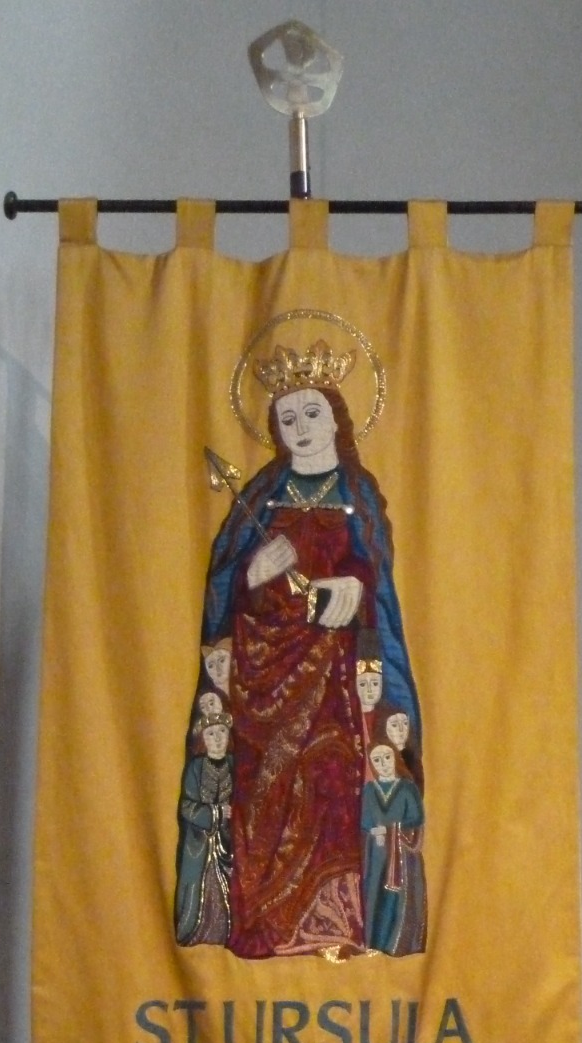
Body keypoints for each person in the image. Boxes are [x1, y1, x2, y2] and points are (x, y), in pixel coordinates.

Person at [190, 340, 423, 959]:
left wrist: (353, 584)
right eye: (287, 417)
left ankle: (335, 925)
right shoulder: (261, 496)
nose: (300, 427)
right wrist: (254, 572)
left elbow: (375, 575)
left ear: (336, 420)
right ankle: (265, 923)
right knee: (264, 793)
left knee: (330, 780)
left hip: (333, 674)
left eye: (312, 413)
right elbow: (224, 584)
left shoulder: (357, 492)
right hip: (263, 675)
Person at [174, 712, 234, 946]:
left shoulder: (234, 765)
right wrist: (215, 813)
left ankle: (226, 934)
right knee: (197, 890)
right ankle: (195, 931)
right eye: (211, 734)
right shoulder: (195, 768)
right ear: (203, 739)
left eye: (222, 732)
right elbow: (186, 806)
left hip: (229, 843)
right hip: (199, 844)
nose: (217, 738)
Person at [360, 742, 427, 955]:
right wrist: (375, 831)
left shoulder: (407, 788)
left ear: (395, 758)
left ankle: (400, 945)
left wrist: (390, 829)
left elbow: (416, 818)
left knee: (402, 900)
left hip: (404, 856)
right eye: (377, 760)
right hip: (377, 855)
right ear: (371, 764)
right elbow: (364, 821)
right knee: (375, 897)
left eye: (387, 757)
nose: (384, 764)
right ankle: (375, 943)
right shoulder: (369, 790)